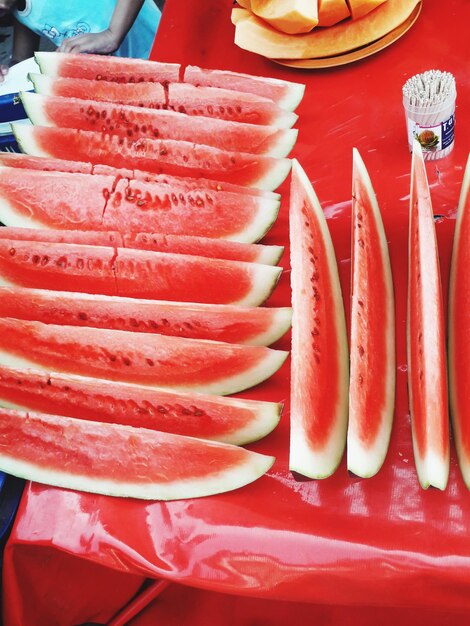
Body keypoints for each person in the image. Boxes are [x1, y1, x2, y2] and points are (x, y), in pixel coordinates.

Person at [0, 0, 161, 77]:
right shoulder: (18, 12)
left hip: (158, 52)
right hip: (120, 80)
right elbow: (22, 60)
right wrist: (7, 75)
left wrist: (112, 34)